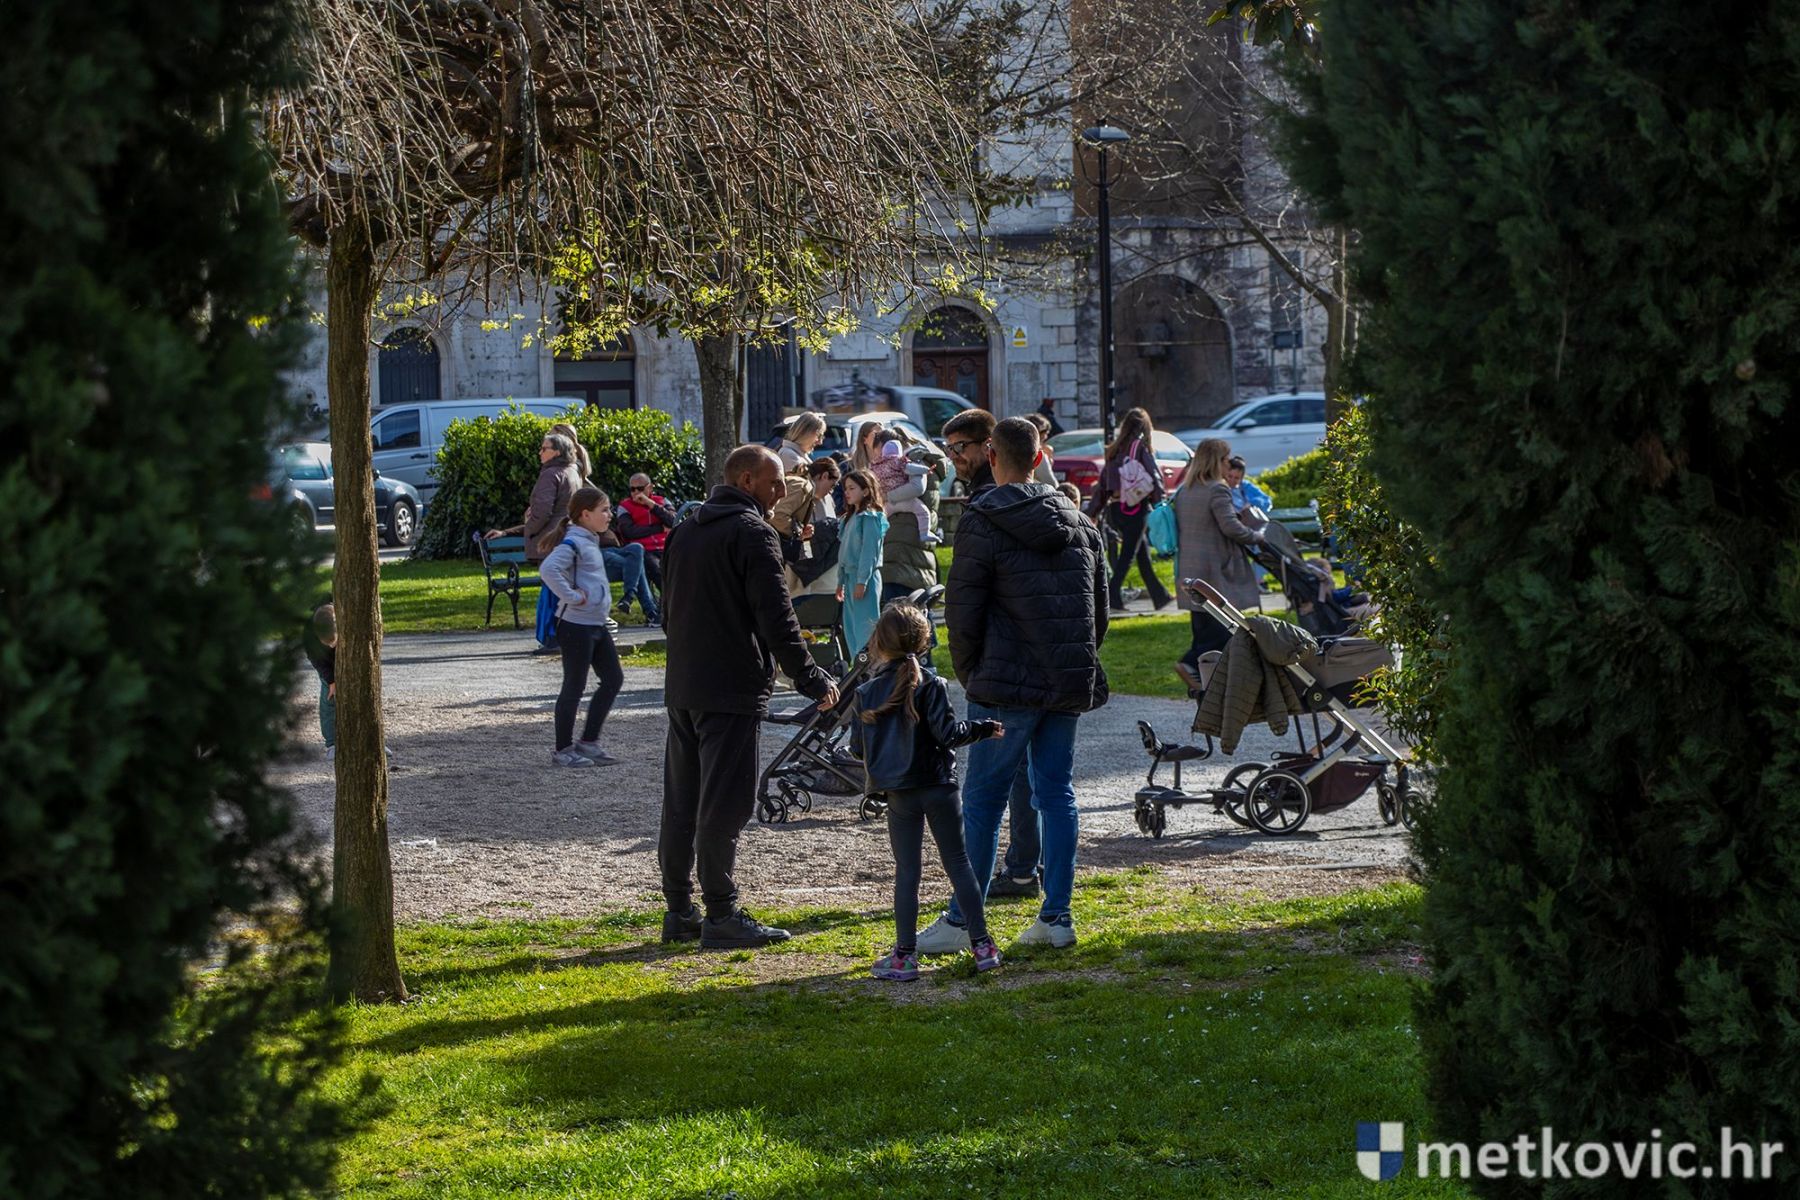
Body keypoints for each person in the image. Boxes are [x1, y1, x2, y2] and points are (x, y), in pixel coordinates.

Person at [919, 417, 1109, 953]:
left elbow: (963, 608)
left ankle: (963, 919)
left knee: (984, 799)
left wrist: (972, 671)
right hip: (1062, 678)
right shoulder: (1080, 521)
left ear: (992, 456)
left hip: (1005, 681)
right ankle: (1057, 915)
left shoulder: (983, 518)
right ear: (1039, 457)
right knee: (1055, 793)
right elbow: (1099, 613)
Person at [659, 444, 839, 949]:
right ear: (745, 480)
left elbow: (668, 612)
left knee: (682, 801)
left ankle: (679, 910)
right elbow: (777, 618)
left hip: (685, 684)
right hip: (730, 687)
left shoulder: (684, 530)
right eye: (774, 480)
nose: (783, 490)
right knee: (725, 804)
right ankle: (721, 914)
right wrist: (811, 679)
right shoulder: (753, 533)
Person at [850, 604, 1005, 980]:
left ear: (878, 642)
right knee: (959, 864)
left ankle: (904, 956)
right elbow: (948, 734)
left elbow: (857, 749)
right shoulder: (932, 684)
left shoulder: (866, 693)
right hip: (938, 784)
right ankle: (983, 946)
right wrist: (984, 727)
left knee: (908, 871)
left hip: (899, 792)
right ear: (924, 642)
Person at [538, 488, 626, 766]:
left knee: (613, 679)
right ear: (585, 515)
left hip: (595, 624)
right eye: (604, 510)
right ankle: (563, 750)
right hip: (576, 625)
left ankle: (588, 743)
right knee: (574, 686)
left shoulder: (589, 540)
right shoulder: (574, 542)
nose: (609, 515)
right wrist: (573, 597)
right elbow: (548, 569)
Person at [1172, 438, 1265, 695]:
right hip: (1214, 569)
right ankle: (1190, 664)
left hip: (1190, 568)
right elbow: (1230, 527)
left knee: (1203, 626)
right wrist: (1257, 537)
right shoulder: (1217, 490)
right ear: (1216, 461)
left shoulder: (1185, 489)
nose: (1228, 464)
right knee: (1224, 628)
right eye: (1226, 460)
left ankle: (1206, 681)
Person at [485, 430, 584, 652]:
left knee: (551, 592)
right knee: (561, 590)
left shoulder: (550, 474)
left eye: (544, 448)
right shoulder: (572, 472)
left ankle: (551, 638)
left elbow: (541, 513)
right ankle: (565, 636)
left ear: (556, 452)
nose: (540, 452)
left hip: (550, 542)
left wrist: (529, 529)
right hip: (567, 538)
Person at [1087, 406, 1172, 613]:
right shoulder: (1139, 448)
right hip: (1136, 507)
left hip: (1116, 508)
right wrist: (1160, 504)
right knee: (1128, 555)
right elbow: (1154, 477)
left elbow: (1103, 485)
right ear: (1145, 428)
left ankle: (1160, 595)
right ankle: (1112, 595)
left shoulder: (1114, 449)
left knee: (1142, 554)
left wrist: (1093, 512)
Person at [836, 468, 888, 656]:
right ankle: (858, 666)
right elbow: (844, 553)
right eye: (846, 488)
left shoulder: (870, 518)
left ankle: (870, 665)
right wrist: (841, 582)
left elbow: (869, 553)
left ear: (865, 491)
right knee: (851, 629)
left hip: (864, 579)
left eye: (852, 488)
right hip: (850, 578)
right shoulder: (850, 518)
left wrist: (862, 581)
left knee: (865, 629)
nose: (847, 492)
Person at [616, 471, 676, 595]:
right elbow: (629, 532)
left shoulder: (662, 501)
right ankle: (671, 599)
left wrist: (651, 504)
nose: (636, 493)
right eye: (632, 489)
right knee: (656, 569)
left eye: (640, 489)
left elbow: (673, 521)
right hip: (645, 550)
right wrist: (660, 528)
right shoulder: (625, 506)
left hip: (668, 546)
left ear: (650, 488)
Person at [869, 431, 934, 543]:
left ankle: (875, 537)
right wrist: (927, 470)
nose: (877, 454)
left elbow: (917, 488)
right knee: (922, 511)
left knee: (879, 518)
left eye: (877, 449)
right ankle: (925, 533)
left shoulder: (910, 460)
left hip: (905, 527)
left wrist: (885, 496)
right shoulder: (901, 462)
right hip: (904, 521)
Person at [303, 601, 336, 761]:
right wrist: (330, 680)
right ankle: (332, 744)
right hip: (326, 664)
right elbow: (316, 659)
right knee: (328, 700)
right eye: (327, 643)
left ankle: (370, 739)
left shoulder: (349, 616)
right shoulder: (308, 635)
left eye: (333, 642)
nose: (332, 646)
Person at [1026, 413, 1058, 485]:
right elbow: (1051, 483)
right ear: (1039, 433)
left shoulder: (1013, 451)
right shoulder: (1039, 454)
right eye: (1046, 433)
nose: (1046, 437)